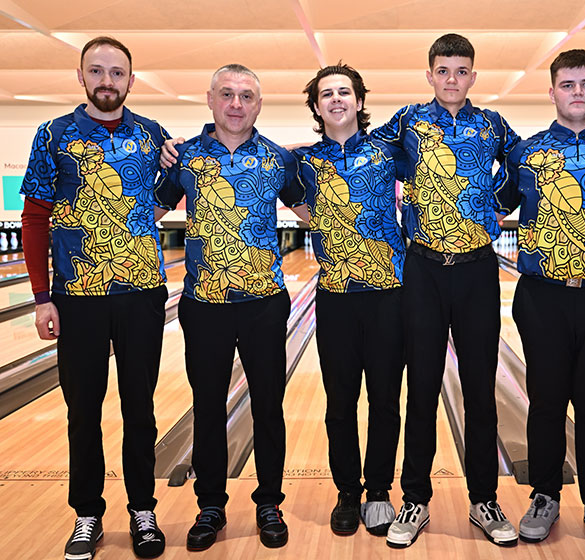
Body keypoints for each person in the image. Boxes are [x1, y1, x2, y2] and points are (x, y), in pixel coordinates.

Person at [19, 36, 169, 560]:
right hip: (77, 296)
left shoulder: (152, 134)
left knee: (140, 408)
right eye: (97, 71)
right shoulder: (53, 134)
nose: (107, 80)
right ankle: (87, 514)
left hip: (142, 292)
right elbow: (34, 218)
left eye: (117, 72)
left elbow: (177, 185)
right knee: (82, 410)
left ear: (131, 79)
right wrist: (41, 297)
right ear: (80, 76)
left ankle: (143, 509)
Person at [370, 33, 520, 548]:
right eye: (443, 70)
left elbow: (531, 163)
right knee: (422, 388)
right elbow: (364, 151)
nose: (452, 79)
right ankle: (415, 498)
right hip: (423, 270)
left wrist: (496, 202)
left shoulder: (492, 123)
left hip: (477, 269)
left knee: (480, 390)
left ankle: (484, 499)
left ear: (473, 76)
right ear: (430, 74)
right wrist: (302, 153)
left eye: (461, 71)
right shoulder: (408, 121)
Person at [154, 64, 304, 551]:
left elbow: (313, 212)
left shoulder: (279, 159)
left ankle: (269, 503)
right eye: (227, 94)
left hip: (264, 304)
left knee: (269, 407)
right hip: (204, 305)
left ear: (258, 104)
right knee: (207, 406)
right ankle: (210, 506)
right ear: (210, 99)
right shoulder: (183, 157)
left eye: (246, 96)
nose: (236, 104)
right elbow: (148, 212)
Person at [497, 49, 585, 552]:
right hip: (544, 297)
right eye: (568, 84)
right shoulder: (525, 154)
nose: (577, 92)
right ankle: (544, 495)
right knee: (547, 402)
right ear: (552, 91)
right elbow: (489, 206)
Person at [292, 63, 406, 537]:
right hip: (336, 298)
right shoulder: (302, 162)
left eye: (344, 92)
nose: (336, 99)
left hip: (388, 295)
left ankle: (378, 490)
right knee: (340, 403)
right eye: (327, 94)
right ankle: (346, 491)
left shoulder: (390, 151)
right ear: (317, 107)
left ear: (359, 101)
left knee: (385, 400)